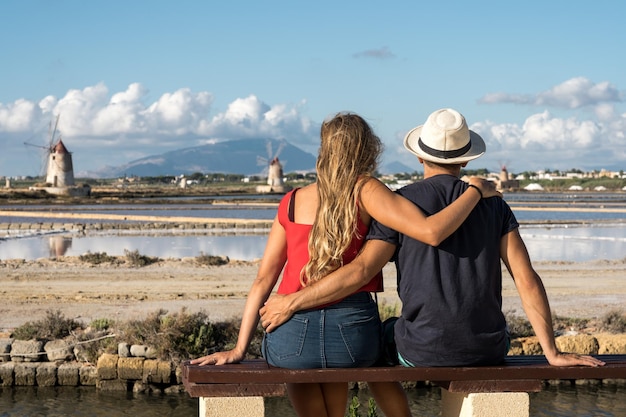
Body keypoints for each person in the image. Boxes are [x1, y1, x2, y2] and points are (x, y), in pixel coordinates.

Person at [191, 112, 499, 417]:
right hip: (352, 334)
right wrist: (474, 191)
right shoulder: (367, 191)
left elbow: (263, 279)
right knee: (350, 363)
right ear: (368, 148)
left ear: (324, 150)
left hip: (290, 332)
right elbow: (429, 230)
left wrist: (238, 349)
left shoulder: (293, 200)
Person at [260, 108, 605, 371]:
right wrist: (552, 352)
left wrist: (292, 301)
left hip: (418, 351)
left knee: (378, 340)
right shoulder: (494, 206)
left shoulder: (400, 204)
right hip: (487, 350)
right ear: (466, 158)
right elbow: (527, 280)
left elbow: (363, 268)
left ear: (419, 155)